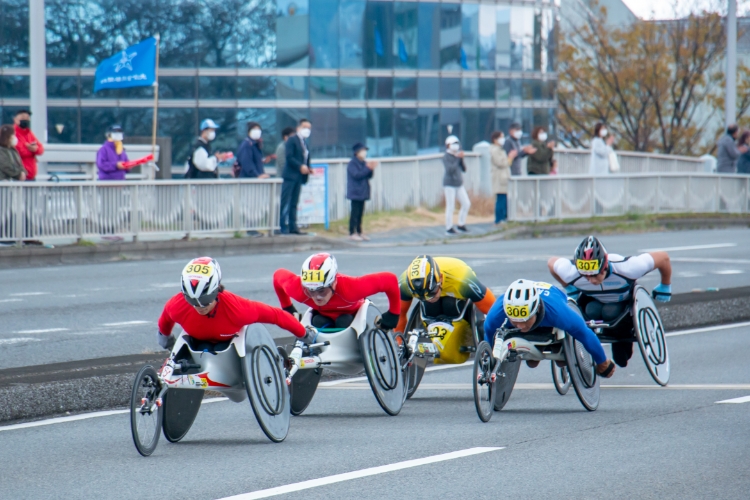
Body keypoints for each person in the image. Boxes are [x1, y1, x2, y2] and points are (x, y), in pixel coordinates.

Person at [547, 235, 672, 368]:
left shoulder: (628, 268)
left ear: (605, 265)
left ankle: (618, 337)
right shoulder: (571, 272)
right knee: (591, 310)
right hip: (594, 302)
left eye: (595, 274)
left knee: (620, 356)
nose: (592, 280)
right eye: (586, 275)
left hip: (622, 306)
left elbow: (663, 257)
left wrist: (665, 285)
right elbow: (551, 263)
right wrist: (569, 287)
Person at [157, 256, 313, 351]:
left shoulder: (237, 308)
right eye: (192, 301)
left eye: (204, 300)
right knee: (189, 350)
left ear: (217, 290)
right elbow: (165, 320)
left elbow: (277, 316)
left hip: (230, 350)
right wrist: (166, 340)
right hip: (197, 349)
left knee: (218, 348)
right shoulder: (177, 304)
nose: (199, 307)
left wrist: (303, 334)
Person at [483, 279, 616, 377]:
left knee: (560, 361)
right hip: (530, 322)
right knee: (532, 362)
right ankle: (533, 350)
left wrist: (602, 362)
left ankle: (556, 348)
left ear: (536, 309)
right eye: (515, 321)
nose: (521, 326)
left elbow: (584, 334)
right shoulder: (496, 314)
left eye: (525, 320)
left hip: (551, 314)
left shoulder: (559, 313)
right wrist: (488, 363)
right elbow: (488, 335)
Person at [273, 253, 401, 330]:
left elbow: (390, 280)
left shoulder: (351, 288)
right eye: (311, 291)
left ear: (333, 283)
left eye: (321, 291)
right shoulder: (299, 289)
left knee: (343, 321)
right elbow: (277, 276)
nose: (317, 297)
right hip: (323, 317)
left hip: (353, 316)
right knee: (317, 322)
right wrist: (287, 307)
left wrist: (394, 313)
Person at [394, 255, 496, 333]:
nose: (429, 298)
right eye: (420, 296)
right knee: (429, 306)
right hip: (433, 307)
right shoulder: (404, 284)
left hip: (457, 298)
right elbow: (399, 314)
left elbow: (494, 312)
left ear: (441, 278)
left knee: (449, 304)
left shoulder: (463, 279)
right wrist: (400, 345)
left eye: (431, 293)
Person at [280, 118, 312, 235]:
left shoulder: (304, 143)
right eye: (305, 127)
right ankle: (282, 226)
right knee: (285, 201)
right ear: (298, 128)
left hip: (299, 176)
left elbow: (305, 158)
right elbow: (289, 157)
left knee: (294, 202)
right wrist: (300, 166)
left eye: (309, 128)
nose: (307, 130)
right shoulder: (292, 140)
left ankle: (293, 226)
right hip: (290, 175)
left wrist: (308, 168)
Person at [347, 143, 378, 241]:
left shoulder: (364, 163)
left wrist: (371, 169)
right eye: (362, 151)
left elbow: (368, 176)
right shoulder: (352, 163)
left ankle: (360, 232)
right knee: (354, 213)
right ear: (357, 152)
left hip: (363, 191)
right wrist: (368, 168)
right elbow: (357, 175)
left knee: (360, 213)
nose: (364, 153)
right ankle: (352, 232)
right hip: (355, 192)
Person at [442, 135, 471, 235]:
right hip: (449, 184)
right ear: (448, 145)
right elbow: (450, 169)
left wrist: (461, 159)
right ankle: (449, 227)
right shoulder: (446, 156)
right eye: (453, 144)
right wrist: (458, 159)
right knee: (451, 206)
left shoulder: (457, 156)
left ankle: (461, 224)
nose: (456, 146)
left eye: (457, 144)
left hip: (459, 184)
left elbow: (464, 169)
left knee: (466, 203)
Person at [490, 131, 515, 224]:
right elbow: (501, 163)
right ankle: (499, 219)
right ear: (495, 139)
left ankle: (503, 217)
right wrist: (510, 158)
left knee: (504, 198)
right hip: (499, 178)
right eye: (501, 137)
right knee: (501, 199)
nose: (503, 139)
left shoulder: (500, 149)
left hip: (503, 177)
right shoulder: (495, 150)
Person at [13, 110, 44, 181]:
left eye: (27, 118)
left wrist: (35, 149)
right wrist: (32, 151)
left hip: (31, 176)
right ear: (15, 120)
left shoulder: (29, 133)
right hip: (19, 176)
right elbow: (19, 151)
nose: (25, 120)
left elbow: (41, 149)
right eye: (23, 118)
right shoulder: (13, 133)